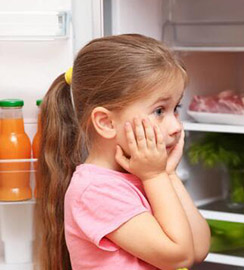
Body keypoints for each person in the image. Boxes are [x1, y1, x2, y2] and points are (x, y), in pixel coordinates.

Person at [36, 34, 210, 270]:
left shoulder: (144, 175)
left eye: (175, 108)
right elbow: (179, 257)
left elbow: (198, 248)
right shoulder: (95, 191)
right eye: (159, 111)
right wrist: (156, 177)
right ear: (106, 123)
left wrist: (168, 175)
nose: (176, 126)